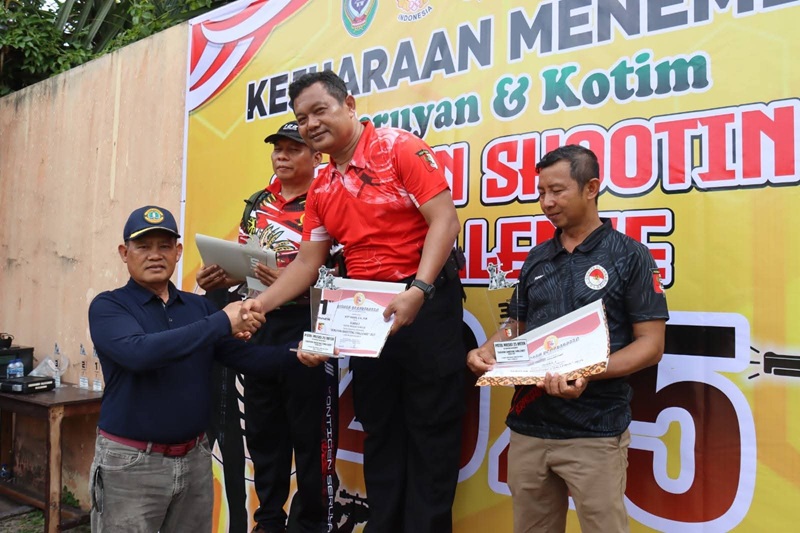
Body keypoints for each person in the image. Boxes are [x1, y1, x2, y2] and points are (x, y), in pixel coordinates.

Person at [241, 71, 466, 533]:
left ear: (349, 104)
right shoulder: (322, 185)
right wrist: (261, 304)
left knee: (431, 435)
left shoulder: (398, 148)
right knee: (380, 432)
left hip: (424, 305)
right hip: (367, 315)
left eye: (319, 110)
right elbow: (307, 264)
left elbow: (445, 220)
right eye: (302, 118)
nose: (310, 124)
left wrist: (419, 290)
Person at [467, 145, 669, 533]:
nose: (547, 202)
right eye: (541, 192)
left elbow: (651, 345)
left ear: (591, 187)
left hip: (595, 431)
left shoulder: (630, 256)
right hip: (528, 425)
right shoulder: (537, 258)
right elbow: (518, 324)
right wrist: (488, 350)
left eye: (557, 191)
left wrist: (588, 371)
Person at [87, 205, 292, 533]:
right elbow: (139, 353)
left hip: (194, 460)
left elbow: (246, 358)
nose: (155, 255)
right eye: (143, 246)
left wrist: (300, 354)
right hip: (131, 463)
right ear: (125, 253)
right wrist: (221, 320)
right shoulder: (109, 306)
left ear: (178, 252)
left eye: (165, 246)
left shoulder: (197, 307)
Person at [197, 121, 338, 533]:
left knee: (309, 434)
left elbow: (342, 274)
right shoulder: (259, 204)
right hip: (260, 325)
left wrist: (294, 282)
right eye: (278, 148)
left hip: (308, 324)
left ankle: (311, 522)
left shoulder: (328, 201)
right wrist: (220, 278)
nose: (282, 156)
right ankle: (269, 520)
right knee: (263, 430)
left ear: (316, 156)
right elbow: (246, 265)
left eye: (293, 149)